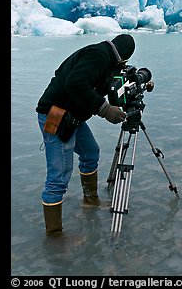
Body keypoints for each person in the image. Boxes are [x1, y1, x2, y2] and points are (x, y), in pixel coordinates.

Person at [36, 34, 136, 235]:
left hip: (74, 117)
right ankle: (54, 236)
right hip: (56, 115)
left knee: (91, 153)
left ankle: (90, 201)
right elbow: (76, 83)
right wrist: (105, 110)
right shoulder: (98, 56)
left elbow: (103, 86)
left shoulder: (108, 61)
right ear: (123, 56)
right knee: (59, 176)